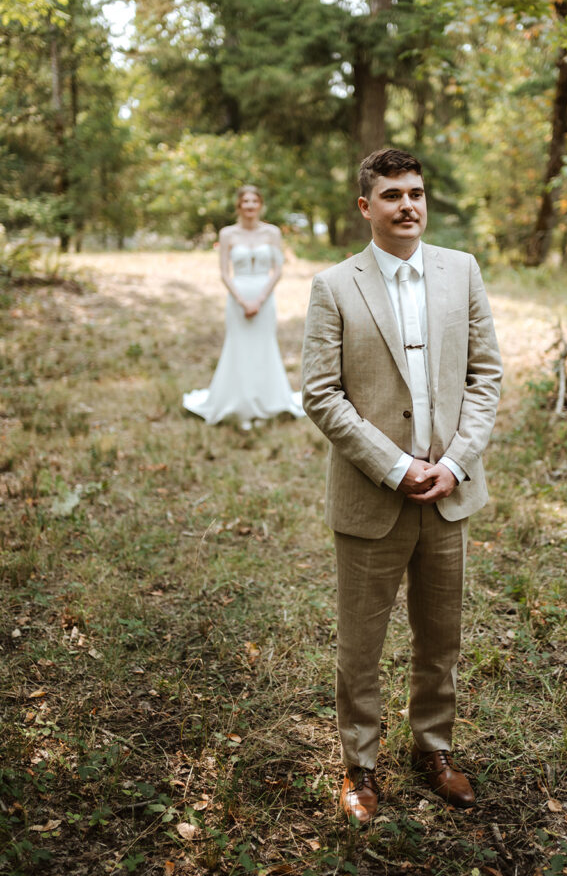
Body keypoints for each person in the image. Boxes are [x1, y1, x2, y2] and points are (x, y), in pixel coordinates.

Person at [301, 148, 502, 823]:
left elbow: (485, 377)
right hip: (372, 497)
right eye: (391, 195)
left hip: (448, 493)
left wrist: (453, 463)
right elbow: (322, 395)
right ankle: (359, 763)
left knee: (439, 637)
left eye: (415, 192)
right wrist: (395, 466)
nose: (407, 205)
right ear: (365, 206)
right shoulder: (334, 286)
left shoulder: (461, 272)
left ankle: (433, 750)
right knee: (361, 643)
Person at [183, 184, 305, 430]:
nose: (250, 206)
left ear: (260, 205)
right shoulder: (228, 233)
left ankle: (266, 402)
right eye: (245, 201)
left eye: (254, 201)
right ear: (239, 205)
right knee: (238, 347)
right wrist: (242, 301)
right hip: (238, 297)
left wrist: (259, 300)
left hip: (264, 297)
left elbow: (278, 270)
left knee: (264, 346)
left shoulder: (272, 233)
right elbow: (224, 273)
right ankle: (238, 405)